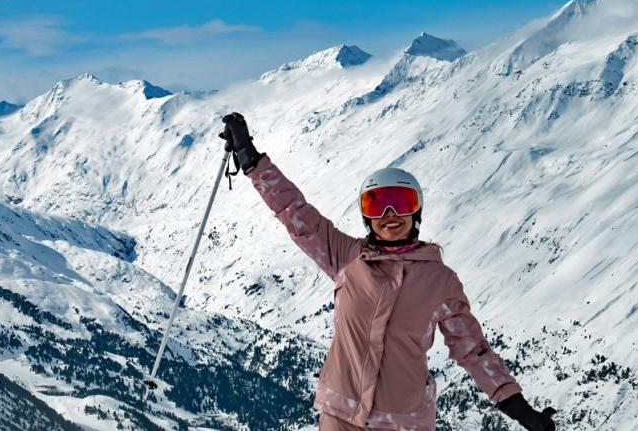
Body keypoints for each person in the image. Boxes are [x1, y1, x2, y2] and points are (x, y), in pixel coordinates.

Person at [219, 113, 557, 431]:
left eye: (402, 202)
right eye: (377, 204)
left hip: (403, 421)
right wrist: (251, 160)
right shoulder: (346, 257)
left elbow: (471, 349)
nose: (390, 214)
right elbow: (294, 211)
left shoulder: (441, 281)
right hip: (340, 417)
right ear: (366, 216)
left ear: (417, 211)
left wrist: (518, 409)